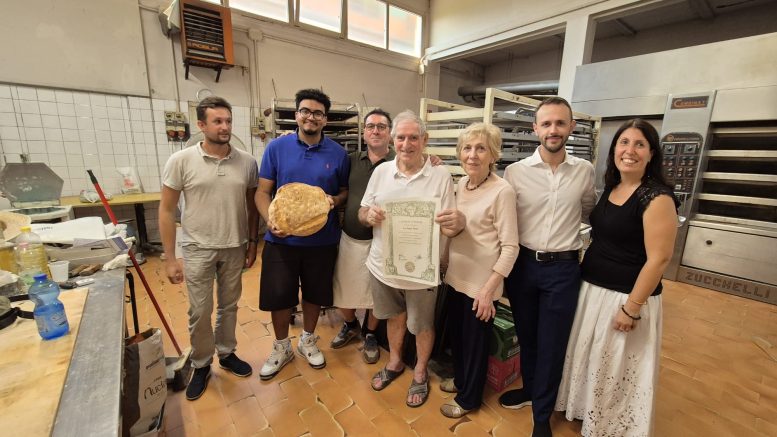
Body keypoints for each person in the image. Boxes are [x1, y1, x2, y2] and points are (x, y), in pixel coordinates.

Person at [555, 119, 678, 436]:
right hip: (593, 289)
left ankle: (610, 423)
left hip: (625, 296)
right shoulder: (613, 187)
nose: (630, 150)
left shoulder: (657, 197)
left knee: (615, 364)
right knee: (595, 358)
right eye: (624, 142)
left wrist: (631, 308)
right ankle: (587, 411)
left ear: (651, 153)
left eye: (639, 144)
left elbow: (660, 259)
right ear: (614, 151)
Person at [499, 96, 596, 437]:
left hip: (563, 270)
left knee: (553, 344)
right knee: (528, 336)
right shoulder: (515, 172)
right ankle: (530, 390)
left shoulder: (584, 171)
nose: (553, 130)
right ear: (535, 128)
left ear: (571, 127)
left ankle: (542, 415)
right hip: (524, 267)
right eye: (546, 123)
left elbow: (587, 211)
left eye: (560, 123)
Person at [359, 110, 462, 408]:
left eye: (413, 138)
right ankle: (394, 362)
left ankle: (419, 371)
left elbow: (450, 223)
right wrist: (369, 215)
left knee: (422, 324)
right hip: (384, 265)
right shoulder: (381, 172)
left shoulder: (441, 175)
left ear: (424, 140)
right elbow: (362, 212)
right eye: (401, 138)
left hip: (422, 269)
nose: (406, 144)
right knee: (394, 316)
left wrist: (455, 227)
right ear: (393, 140)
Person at [159, 96, 259, 401]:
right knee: (200, 310)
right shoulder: (181, 161)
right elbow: (166, 210)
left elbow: (252, 207)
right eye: (217, 121)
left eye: (228, 121)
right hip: (197, 248)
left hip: (234, 246)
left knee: (229, 305)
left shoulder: (247, 162)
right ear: (201, 125)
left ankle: (226, 353)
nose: (224, 126)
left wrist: (252, 242)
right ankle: (202, 363)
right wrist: (170, 258)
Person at [255, 88, 349, 380]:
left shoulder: (338, 153)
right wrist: (270, 220)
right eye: (306, 111)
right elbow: (262, 192)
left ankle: (308, 339)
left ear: (325, 119)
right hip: (281, 239)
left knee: (315, 293)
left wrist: (334, 200)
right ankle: (281, 346)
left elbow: (344, 191)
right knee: (279, 296)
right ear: (297, 115)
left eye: (318, 113)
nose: (311, 117)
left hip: (322, 240)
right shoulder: (276, 148)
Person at [439, 122, 519, 418]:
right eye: (467, 148)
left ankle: (469, 398)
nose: (472, 155)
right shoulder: (461, 184)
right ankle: (462, 381)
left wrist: (488, 291)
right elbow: (458, 230)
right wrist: (444, 261)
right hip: (456, 278)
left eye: (481, 148)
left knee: (475, 345)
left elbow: (510, 247)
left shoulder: (502, 191)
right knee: (459, 338)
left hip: (481, 286)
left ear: (493, 155)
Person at [329, 108, 394, 363]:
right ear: (364, 132)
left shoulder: (399, 161)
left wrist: (432, 160)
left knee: (377, 293)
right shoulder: (351, 160)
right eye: (370, 126)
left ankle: (370, 333)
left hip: (384, 240)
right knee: (341, 289)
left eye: (381, 126)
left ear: (390, 133)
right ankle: (350, 324)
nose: (375, 131)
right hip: (351, 238)